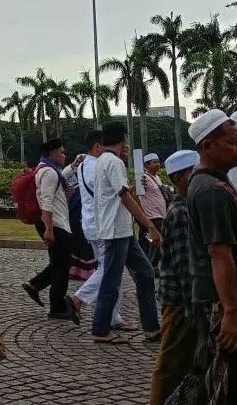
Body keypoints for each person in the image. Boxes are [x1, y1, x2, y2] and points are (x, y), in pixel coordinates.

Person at [90, 121, 161, 344]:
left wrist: (131, 188)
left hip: (122, 230)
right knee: (112, 281)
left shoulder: (104, 161)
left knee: (146, 272)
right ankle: (100, 330)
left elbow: (117, 193)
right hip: (115, 231)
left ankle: (151, 327)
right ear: (123, 138)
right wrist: (149, 224)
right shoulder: (114, 162)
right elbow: (123, 197)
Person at [183, 110, 237, 402]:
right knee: (222, 382)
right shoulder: (210, 190)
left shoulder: (218, 182)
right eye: (231, 143)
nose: (236, 149)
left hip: (220, 297)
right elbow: (219, 254)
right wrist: (230, 312)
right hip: (219, 300)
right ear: (208, 146)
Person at [149, 150, 199, 404]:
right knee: (170, 364)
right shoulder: (181, 213)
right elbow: (185, 267)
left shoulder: (190, 206)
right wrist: (194, 310)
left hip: (186, 300)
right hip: (180, 301)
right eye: (196, 173)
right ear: (180, 178)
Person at [70, 131, 126, 328]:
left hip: (90, 223)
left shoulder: (84, 165)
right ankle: (78, 299)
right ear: (96, 147)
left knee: (112, 269)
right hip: (103, 224)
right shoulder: (98, 167)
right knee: (110, 270)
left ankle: (114, 316)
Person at [21, 139, 80, 323]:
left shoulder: (45, 169)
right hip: (54, 223)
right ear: (53, 154)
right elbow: (46, 201)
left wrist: (74, 165)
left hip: (54, 222)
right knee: (62, 265)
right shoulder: (49, 173)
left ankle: (36, 287)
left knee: (60, 263)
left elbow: (60, 177)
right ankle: (55, 304)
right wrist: (49, 229)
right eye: (61, 152)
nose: (64, 155)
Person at [140, 152, 167, 267]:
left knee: (155, 242)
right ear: (147, 165)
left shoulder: (158, 178)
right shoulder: (144, 178)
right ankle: (153, 265)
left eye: (158, 161)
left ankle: (150, 265)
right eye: (154, 162)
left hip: (161, 214)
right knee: (162, 240)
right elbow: (136, 192)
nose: (157, 164)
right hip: (153, 215)